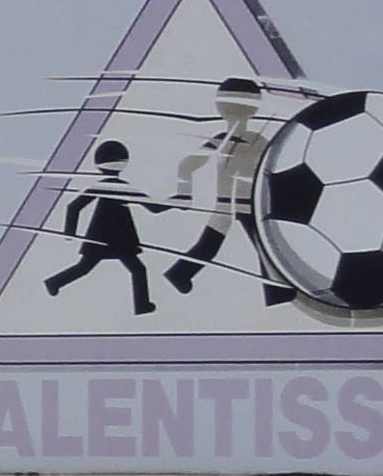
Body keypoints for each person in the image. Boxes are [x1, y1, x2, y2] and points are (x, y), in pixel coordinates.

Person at [162, 76, 293, 305]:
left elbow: (186, 166)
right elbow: (187, 165)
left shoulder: (252, 140)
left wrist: (185, 192)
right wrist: (185, 194)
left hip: (237, 202)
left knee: (216, 245)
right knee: (260, 246)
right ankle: (274, 292)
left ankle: (180, 273)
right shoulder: (240, 140)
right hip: (238, 203)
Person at [43, 139, 155, 315]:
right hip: (116, 236)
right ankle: (54, 282)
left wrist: (69, 233)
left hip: (107, 236)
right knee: (134, 269)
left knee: (92, 267)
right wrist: (69, 234)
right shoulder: (119, 186)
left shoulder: (106, 186)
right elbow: (153, 207)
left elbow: (73, 207)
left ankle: (54, 282)